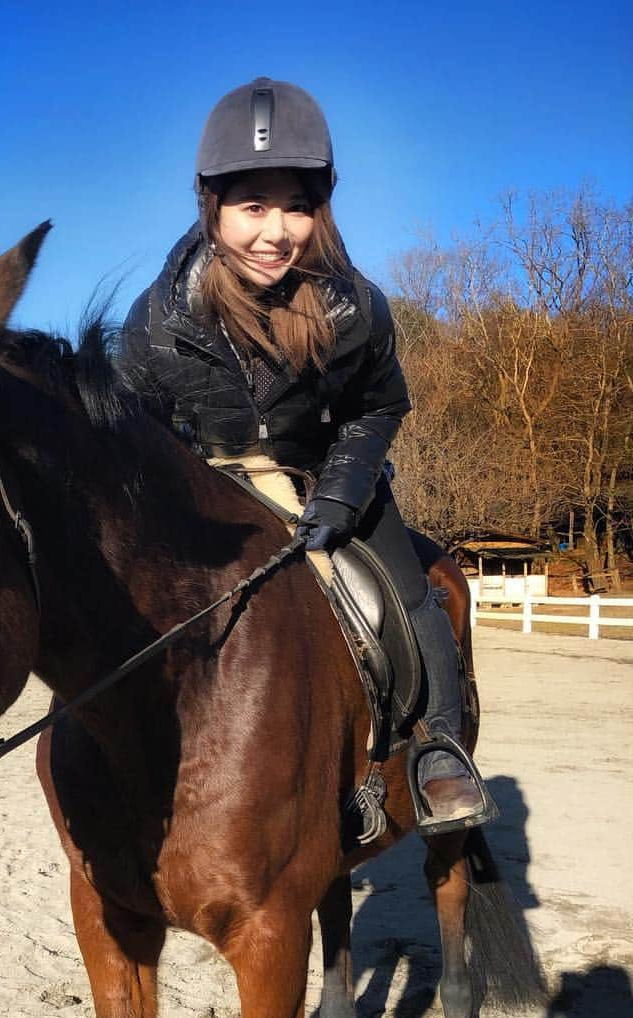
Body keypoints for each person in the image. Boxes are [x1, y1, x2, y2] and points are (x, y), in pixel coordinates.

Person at [117, 77, 486, 825]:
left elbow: (380, 404)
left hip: (329, 478)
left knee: (409, 593)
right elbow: (133, 434)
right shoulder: (154, 321)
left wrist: (343, 494)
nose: (275, 231)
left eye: (296, 205)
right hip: (214, 485)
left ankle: (439, 745)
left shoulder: (358, 307)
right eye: (252, 206)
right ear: (211, 207)